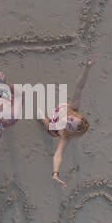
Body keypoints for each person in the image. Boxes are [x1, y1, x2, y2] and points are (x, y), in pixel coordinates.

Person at [41, 57, 94, 188]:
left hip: (52, 128)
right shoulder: (73, 106)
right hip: (56, 113)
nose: (66, 121)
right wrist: (87, 68)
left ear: (69, 132)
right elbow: (79, 86)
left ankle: (41, 117)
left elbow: (58, 154)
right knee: (47, 114)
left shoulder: (65, 136)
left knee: (42, 118)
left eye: (69, 126)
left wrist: (55, 173)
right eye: (71, 119)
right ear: (75, 114)